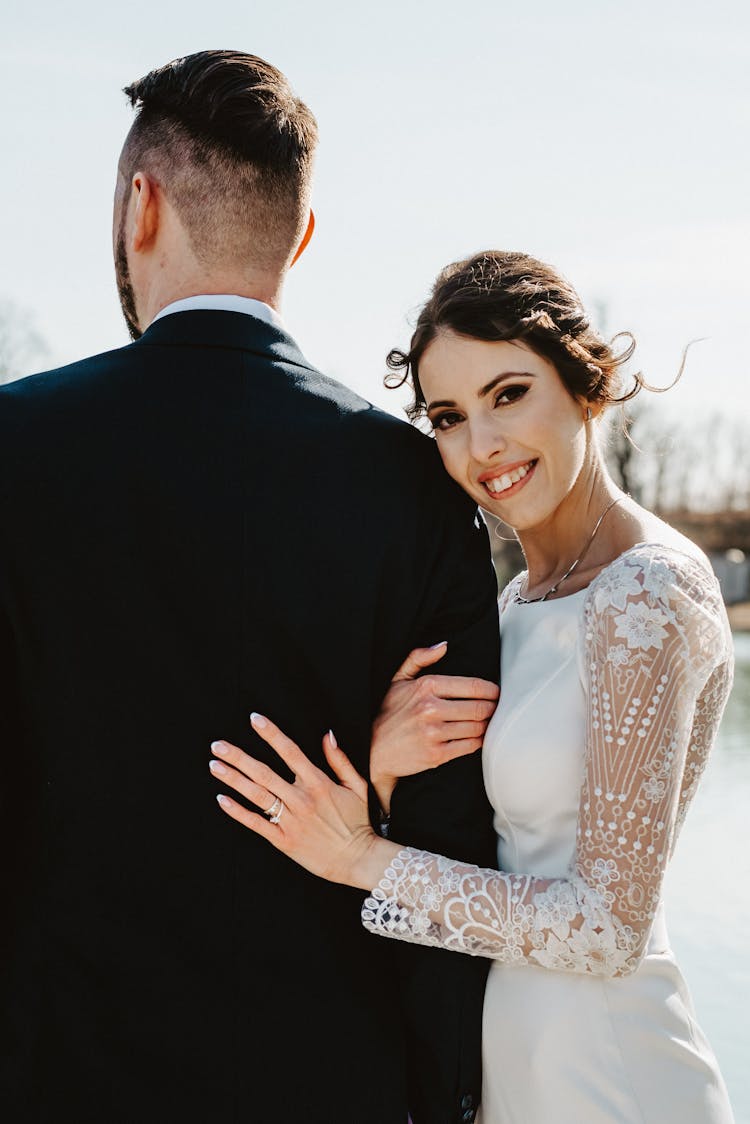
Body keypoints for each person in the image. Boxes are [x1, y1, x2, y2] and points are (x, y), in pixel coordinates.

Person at [0, 53, 503, 1123]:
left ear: (143, 207)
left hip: (54, 1069)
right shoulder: (414, 482)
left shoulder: (13, 446)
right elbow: (451, 833)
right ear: (301, 236)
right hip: (331, 1079)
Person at [210, 251, 736, 1123]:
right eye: (448, 416)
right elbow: (489, 845)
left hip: (613, 1076)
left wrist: (360, 859)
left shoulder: (649, 591)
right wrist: (382, 765)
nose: (480, 447)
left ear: (584, 384)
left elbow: (605, 928)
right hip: (508, 1072)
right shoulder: (519, 599)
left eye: (509, 394)